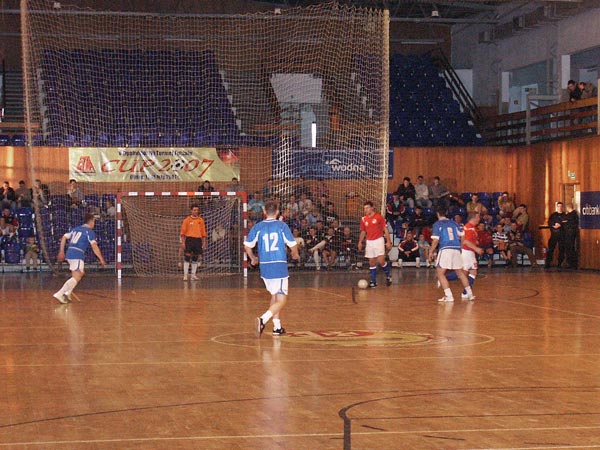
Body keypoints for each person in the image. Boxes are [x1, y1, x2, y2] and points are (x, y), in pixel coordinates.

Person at [245, 201, 299, 337]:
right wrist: (295, 253)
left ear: (264, 211)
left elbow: (247, 246)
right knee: (282, 300)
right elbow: (292, 244)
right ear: (277, 212)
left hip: (265, 267)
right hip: (278, 265)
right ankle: (263, 319)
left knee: (274, 295)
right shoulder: (281, 226)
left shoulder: (258, 227)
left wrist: (252, 258)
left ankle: (277, 327)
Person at [53, 213, 106, 303]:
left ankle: (68, 292)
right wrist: (101, 259)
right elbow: (94, 246)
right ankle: (60, 293)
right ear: (91, 221)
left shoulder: (76, 229)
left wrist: (61, 251)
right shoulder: (89, 231)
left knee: (79, 274)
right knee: (78, 275)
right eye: (94, 221)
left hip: (70, 252)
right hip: (77, 254)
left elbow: (64, 237)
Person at [428, 206, 475, 302]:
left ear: (437, 214)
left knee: (440, 273)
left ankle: (448, 296)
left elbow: (436, 240)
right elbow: (462, 235)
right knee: (460, 273)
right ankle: (470, 294)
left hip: (445, 249)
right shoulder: (454, 223)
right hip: (456, 249)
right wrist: (460, 247)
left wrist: (431, 251)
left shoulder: (437, 224)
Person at [357, 201, 393, 288]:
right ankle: (373, 281)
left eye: (367, 208)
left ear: (372, 208)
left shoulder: (379, 217)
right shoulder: (364, 219)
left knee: (381, 261)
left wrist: (388, 241)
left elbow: (385, 229)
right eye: (364, 208)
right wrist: (360, 241)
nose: (365, 210)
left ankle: (388, 276)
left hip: (378, 240)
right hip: (369, 242)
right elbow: (363, 231)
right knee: (371, 262)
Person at [180, 204, 207, 281]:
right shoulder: (186, 220)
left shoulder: (200, 220)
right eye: (194, 210)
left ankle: (193, 275)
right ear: (191, 210)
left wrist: (204, 242)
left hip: (198, 240)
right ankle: (185, 275)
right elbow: (182, 233)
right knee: (187, 256)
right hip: (189, 239)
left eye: (197, 210)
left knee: (195, 257)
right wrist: (183, 242)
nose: (196, 211)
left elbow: (203, 233)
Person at [545, 202, 565, 269]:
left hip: (562, 235)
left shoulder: (564, 215)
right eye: (558, 206)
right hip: (554, 234)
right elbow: (549, 222)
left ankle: (559, 264)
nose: (560, 207)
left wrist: (560, 225)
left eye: (561, 206)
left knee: (561, 249)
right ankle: (548, 263)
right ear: (556, 207)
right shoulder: (553, 215)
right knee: (550, 249)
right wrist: (554, 225)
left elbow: (565, 223)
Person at [563, 203, 579, 269]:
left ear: (567, 208)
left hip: (569, 234)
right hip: (573, 234)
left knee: (569, 248)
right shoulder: (575, 214)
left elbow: (565, 222)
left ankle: (570, 263)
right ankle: (572, 264)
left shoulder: (570, 215)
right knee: (572, 248)